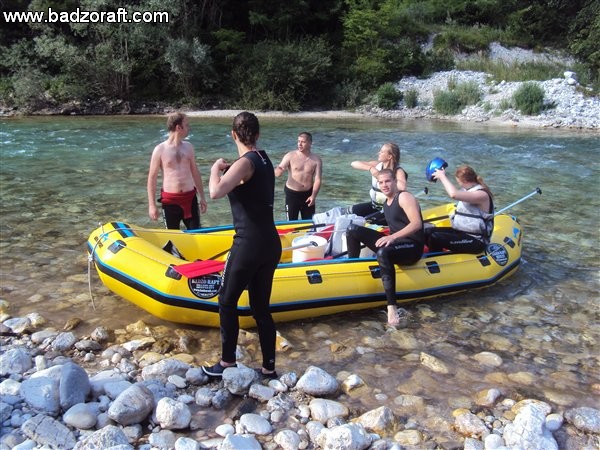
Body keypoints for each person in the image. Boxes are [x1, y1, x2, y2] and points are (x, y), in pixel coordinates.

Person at [203, 111, 282, 379]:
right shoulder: (264, 159)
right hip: (270, 243)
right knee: (261, 308)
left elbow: (215, 192)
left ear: (233, 134)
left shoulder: (245, 162)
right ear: (258, 134)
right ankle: (269, 367)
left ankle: (226, 363)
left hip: (248, 242)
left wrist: (214, 170)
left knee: (226, 300)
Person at [346, 169, 424, 326]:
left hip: (412, 246)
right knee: (352, 230)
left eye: (387, 181)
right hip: (395, 243)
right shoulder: (386, 202)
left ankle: (392, 308)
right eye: (381, 182)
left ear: (395, 181)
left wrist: (392, 237)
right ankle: (351, 269)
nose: (384, 185)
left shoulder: (404, 197)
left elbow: (417, 223)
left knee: (382, 252)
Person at [147, 112, 207, 230]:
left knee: (197, 235)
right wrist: (152, 205)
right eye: (187, 125)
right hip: (170, 202)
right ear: (178, 127)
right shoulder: (160, 150)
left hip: (190, 199)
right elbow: (152, 178)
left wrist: (202, 197)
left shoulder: (189, 147)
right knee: (172, 238)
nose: (189, 128)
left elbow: (195, 173)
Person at [426, 165, 494, 254]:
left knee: (436, 237)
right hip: (461, 233)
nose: (458, 184)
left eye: (458, 181)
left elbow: (454, 194)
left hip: (476, 240)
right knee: (427, 231)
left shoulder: (481, 194)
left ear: (463, 181)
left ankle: (434, 260)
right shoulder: (466, 190)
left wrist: (442, 177)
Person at [349, 142, 408, 222]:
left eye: (382, 152)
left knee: (367, 222)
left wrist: (385, 179)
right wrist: (371, 168)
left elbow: (402, 187)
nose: (378, 153)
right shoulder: (377, 165)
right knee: (351, 211)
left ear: (389, 156)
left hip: (389, 210)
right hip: (374, 206)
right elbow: (353, 163)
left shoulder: (398, 171)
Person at [274, 132, 322, 220]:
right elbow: (280, 168)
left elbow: (318, 179)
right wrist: (278, 171)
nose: (299, 144)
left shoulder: (316, 160)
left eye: (303, 142)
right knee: (291, 223)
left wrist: (313, 196)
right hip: (292, 194)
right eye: (298, 141)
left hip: (308, 195)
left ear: (310, 143)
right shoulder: (290, 156)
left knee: (309, 223)